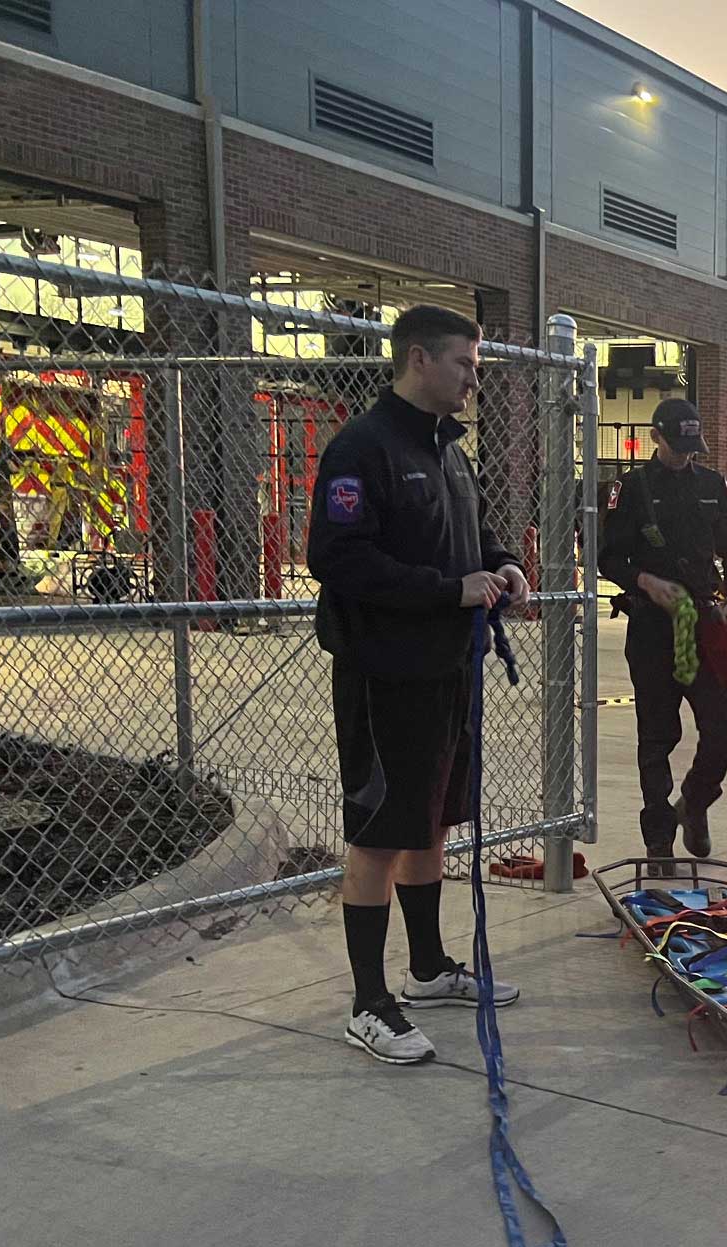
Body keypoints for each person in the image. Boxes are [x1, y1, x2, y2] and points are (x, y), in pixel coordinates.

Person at [308, 305, 527, 1067]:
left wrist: (502, 566)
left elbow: (472, 537)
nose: (474, 379)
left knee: (430, 824)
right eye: (465, 364)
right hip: (384, 677)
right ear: (418, 360)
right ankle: (369, 1003)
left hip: (447, 674)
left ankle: (428, 968)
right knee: (378, 835)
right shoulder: (361, 449)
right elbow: (338, 559)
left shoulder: (450, 452)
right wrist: (449, 591)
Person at [597, 397, 727, 869]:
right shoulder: (631, 488)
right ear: (655, 438)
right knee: (657, 739)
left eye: (692, 447)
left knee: (724, 730)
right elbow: (608, 558)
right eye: (676, 446)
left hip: (704, 625)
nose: (686, 456)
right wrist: (644, 581)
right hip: (651, 628)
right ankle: (658, 840)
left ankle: (695, 802)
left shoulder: (711, 485)